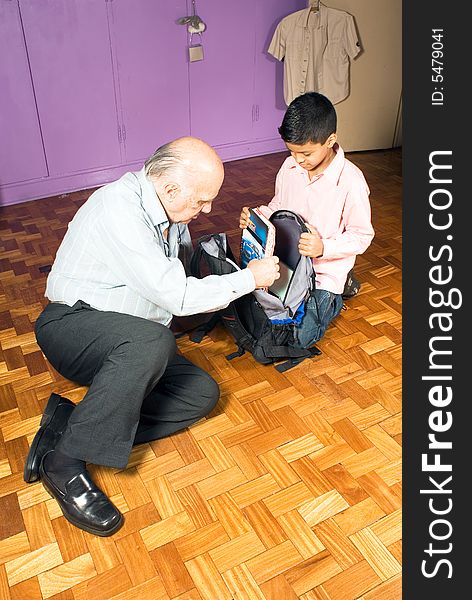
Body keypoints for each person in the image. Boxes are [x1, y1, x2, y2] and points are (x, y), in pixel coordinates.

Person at [25, 136, 280, 537]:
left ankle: (69, 426)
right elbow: (176, 296)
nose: (208, 209)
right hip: (73, 327)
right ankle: (64, 462)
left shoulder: (167, 213)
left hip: (127, 334)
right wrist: (249, 279)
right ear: (171, 188)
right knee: (154, 342)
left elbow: (177, 284)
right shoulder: (119, 210)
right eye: (202, 200)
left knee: (201, 394)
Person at [240, 92, 375, 349]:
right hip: (289, 265)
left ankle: (341, 285)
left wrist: (323, 248)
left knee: (299, 338)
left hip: (325, 272)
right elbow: (279, 206)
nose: (299, 160)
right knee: (253, 310)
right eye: (292, 151)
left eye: (306, 153)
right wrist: (258, 216)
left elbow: (361, 235)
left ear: (330, 140)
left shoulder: (351, 182)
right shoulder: (289, 167)